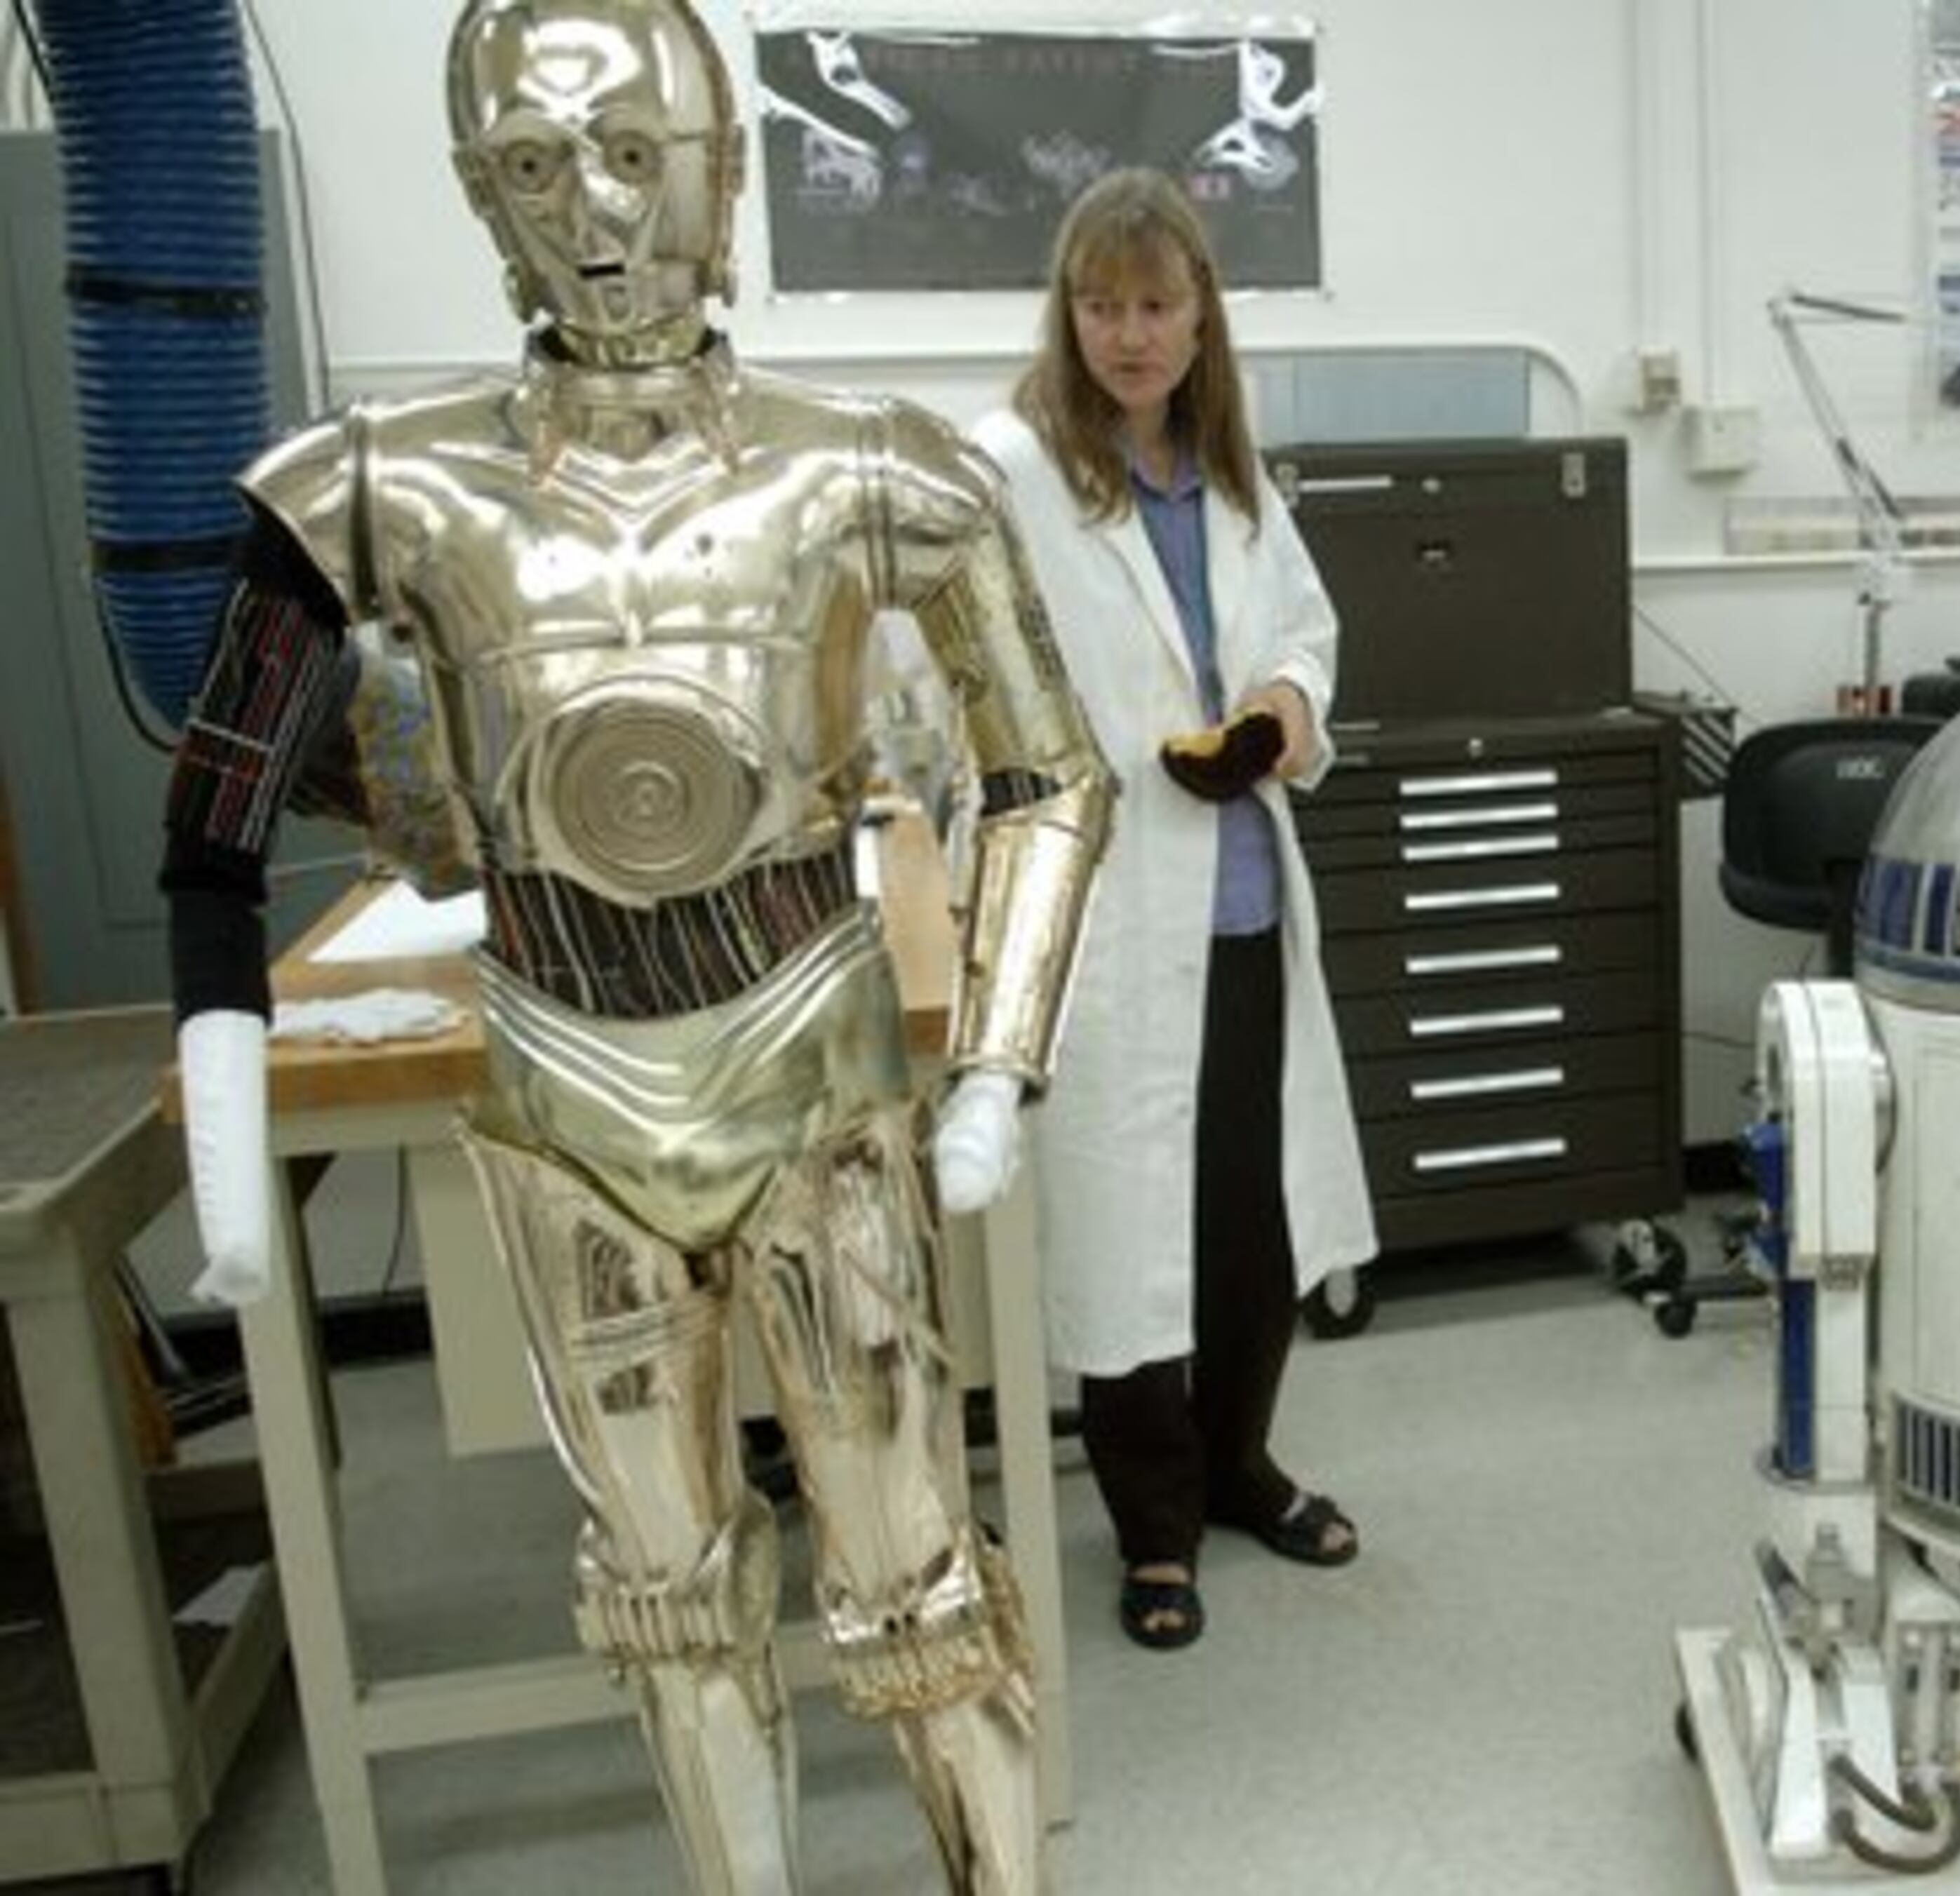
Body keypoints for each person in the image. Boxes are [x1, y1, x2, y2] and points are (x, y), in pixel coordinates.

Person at [156, 4, 1113, 1890]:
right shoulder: (376, 484)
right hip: (560, 1080)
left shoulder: (878, 469)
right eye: (531, 166)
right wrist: (221, 1105)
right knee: (663, 1593)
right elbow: (216, 816)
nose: (592, 213)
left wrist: (999, 1055)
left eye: (631, 158)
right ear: (474, 197)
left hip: (813, 1072)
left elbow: (1049, 777)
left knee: (909, 1575)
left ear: (725, 174)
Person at [972, 169, 1378, 1652]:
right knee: (1126, 1216)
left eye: (1157, 304)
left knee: (1251, 1217)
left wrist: (1283, 706)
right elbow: (951, 668)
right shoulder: (1009, 466)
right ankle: (1153, 1521)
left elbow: (1310, 639)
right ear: (1066, 313)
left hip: (1245, 893)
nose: (1130, 335)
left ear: (1202, 313)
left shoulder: (1233, 476)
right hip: (1103, 906)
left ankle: (1240, 1462)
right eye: (1102, 305)